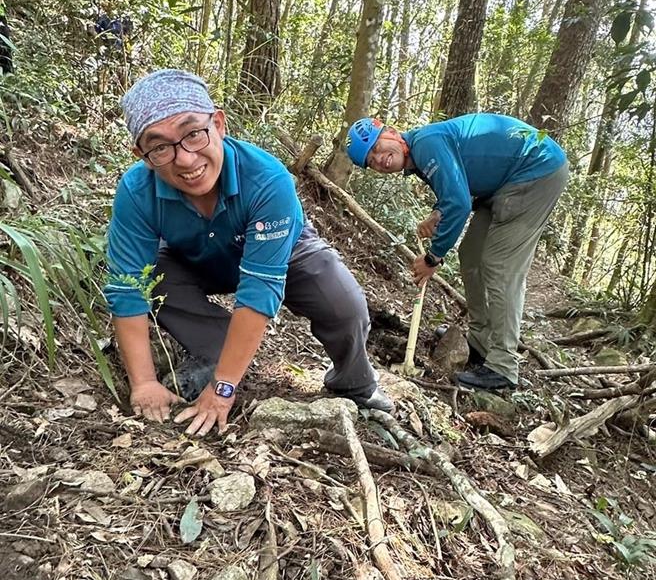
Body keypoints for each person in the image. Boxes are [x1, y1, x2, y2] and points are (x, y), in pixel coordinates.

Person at [104, 69, 392, 436]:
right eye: (160, 147)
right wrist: (143, 383)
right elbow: (128, 286)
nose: (186, 160)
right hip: (192, 256)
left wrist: (221, 391)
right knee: (155, 277)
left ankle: (356, 382)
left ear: (219, 124)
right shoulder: (136, 191)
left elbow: (259, 289)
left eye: (194, 134)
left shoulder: (267, 179)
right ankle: (224, 350)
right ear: (143, 156)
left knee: (342, 301)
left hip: (281, 250)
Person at [345, 113, 568, 392]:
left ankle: (503, 366)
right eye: (371, 161)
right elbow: (458, 188)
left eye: (377, 148)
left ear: (392, 133)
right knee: (471, 256)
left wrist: (432, 258)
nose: (380, 160)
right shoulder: (421, 155)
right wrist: (439, 213)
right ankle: (480, 341)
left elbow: (460, 204)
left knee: (500, 266)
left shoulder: (426, 143)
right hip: (503, 183)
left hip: (536, 170)